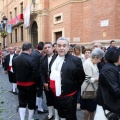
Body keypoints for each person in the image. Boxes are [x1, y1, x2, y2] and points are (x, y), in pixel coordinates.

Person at [49, 37, 85, 120]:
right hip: (57, 95)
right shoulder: (53, 58)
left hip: (69, 96)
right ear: (56, 47)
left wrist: (72, 87)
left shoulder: (76, 60)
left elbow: (81, 77)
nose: (61, 48)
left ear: (68, 47)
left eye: (64, 46)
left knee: (70, 117)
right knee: (61, 114)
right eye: (59, 45)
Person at [12, 43, 38, 120]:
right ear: (30, 49)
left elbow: (15, 71)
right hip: (31, 85)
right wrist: (38, 85)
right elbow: (35, 74)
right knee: (31, 102)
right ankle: (30, 118)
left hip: (20, 84)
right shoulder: (32, 59)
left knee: (22, 102)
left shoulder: (15, 59)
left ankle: (22, 118)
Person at [94, 48, 120, 120]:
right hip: (107, 105)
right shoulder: (109, 69)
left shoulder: (113, 67)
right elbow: (115, 90)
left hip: (109, 104)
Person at [81, 48, 104, 120]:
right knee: (89, 109)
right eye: (100, 59)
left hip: (92, 88)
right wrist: (98, 79)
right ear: (95, 57)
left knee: (91, 109)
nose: (100, 61)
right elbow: (88, 79)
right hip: (89, 90)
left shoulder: (93, 62)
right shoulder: (88, 64)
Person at [41, 42, 59, 120]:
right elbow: (41, 72)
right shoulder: (42, 59)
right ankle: (50, 114)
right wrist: (44, 83)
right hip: (46, 83)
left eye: (49, 47)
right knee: (48, 99)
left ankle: (57, 116)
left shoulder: (57, 58)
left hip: (55, 83)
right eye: (45, 48)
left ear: (52, 48)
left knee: (56, 100)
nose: (47, 49)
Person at [31, 42, 48, 114]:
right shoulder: (40, 56)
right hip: (38, 77)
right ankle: (40, 108)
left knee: (36, 93)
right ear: (43, 48)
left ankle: (36, 105)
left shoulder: (33, 53)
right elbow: (39, 68)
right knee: (39, 93)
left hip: (33, 77)